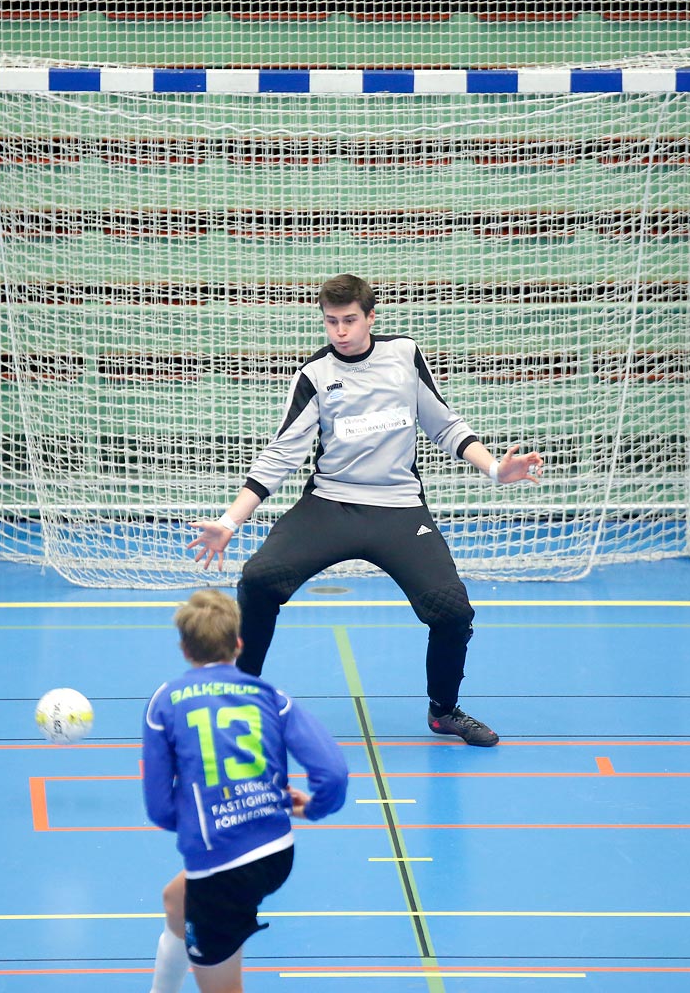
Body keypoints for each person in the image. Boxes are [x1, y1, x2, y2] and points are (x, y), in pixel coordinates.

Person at [187, 274, 544, 748]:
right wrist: (231, 521)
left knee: (453, 611)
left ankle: (444, 711)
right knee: (258, 580)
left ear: (370, 317)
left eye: (349, 320)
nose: (340, 331)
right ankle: (242, 700)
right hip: (330, 504)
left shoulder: (403, 356)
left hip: (398, 509)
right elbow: (282, 454)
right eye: (331, 322)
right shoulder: (315, 375)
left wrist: (496, 470)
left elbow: (444, 424)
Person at [142, 588, 348, 993]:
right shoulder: (271, 697)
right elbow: (334, 774)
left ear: (184, 649)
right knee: (174, 900)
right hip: (276, 852)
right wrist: (311, 809)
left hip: (221, 869)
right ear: (238, 644)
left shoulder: (164, 703)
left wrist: (207, 822)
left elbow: (159, 808)